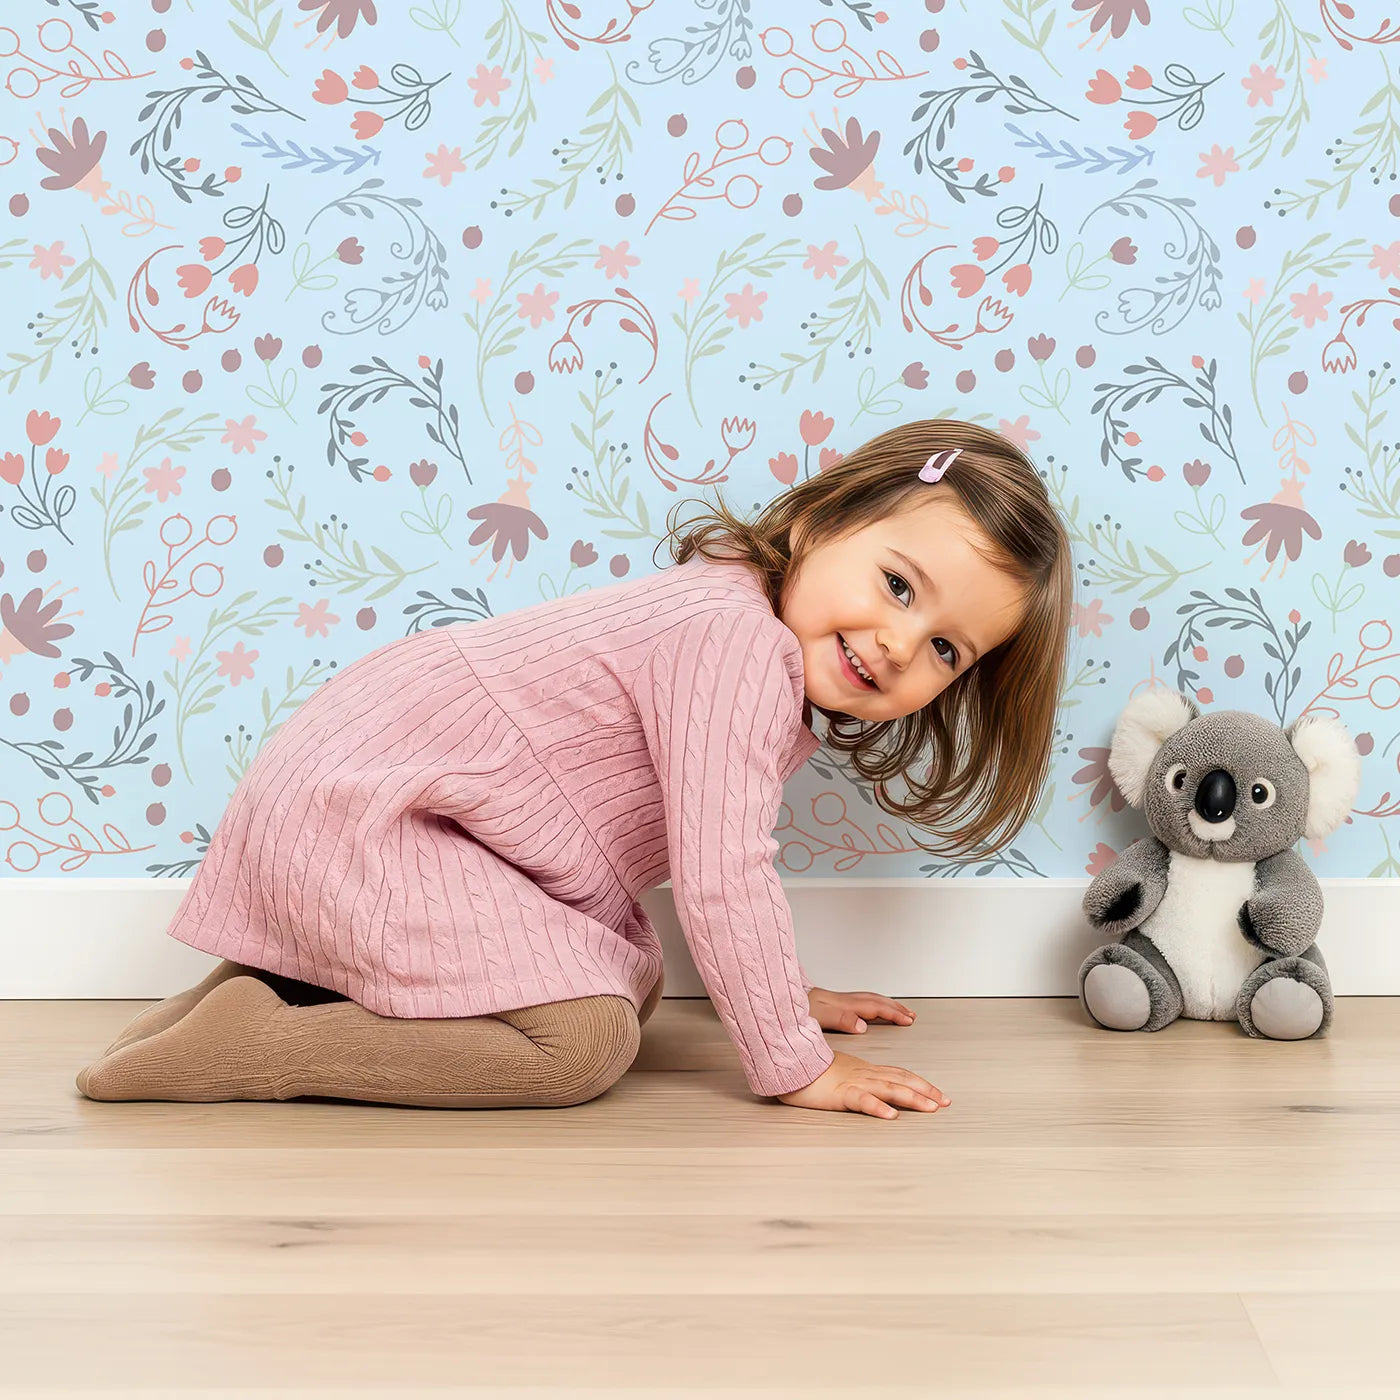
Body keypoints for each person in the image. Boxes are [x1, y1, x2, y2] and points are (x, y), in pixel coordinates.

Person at [75, 418, 1072, 1120]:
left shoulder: (730, 621)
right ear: (817, 523)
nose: (901, 643)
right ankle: (264, 1042)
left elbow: (711, 862)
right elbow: (721, 870)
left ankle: (269, 983)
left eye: (946, 649)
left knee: (619, 981)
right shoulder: (732, 642)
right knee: (583, 1042)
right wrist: (793, 1060)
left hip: (373, 808)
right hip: (366, 814)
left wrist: (785, 987)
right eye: (897, 585)